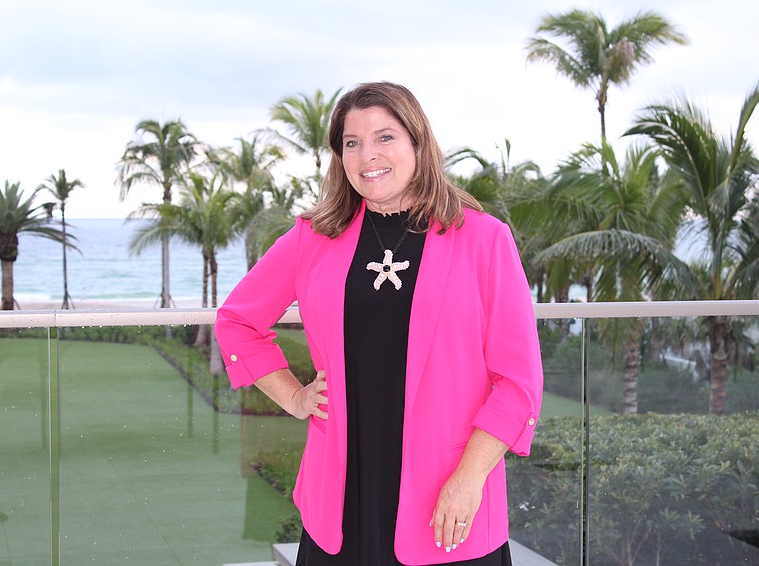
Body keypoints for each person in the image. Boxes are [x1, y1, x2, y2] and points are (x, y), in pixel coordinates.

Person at [215, 81, 543, 565]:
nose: (368, 155)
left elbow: (519, 381)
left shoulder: (483, 240)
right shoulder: (313, 237)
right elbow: (237, 323)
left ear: (417, 142)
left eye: (385, 137)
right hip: (340, 505)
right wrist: (295, 397)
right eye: (352, 143)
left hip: (447, 504)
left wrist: (468, 480)